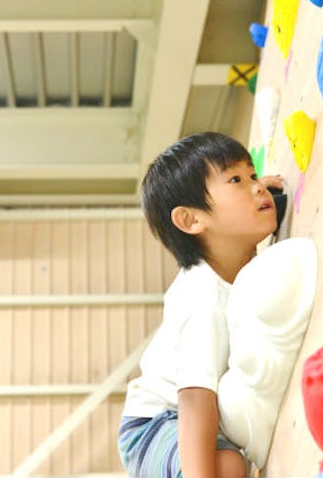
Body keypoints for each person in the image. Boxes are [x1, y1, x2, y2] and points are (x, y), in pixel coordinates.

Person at [118, 132, 285, 478]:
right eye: (236, 180)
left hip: (187, 413)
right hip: (155, 425)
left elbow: (242, 207)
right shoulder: (202, 300)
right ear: (192, 221)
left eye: (252, 176)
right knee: (226, 467)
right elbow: (194, 401)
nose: (257, 187)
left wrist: (254, 191)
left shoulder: (237, 251)